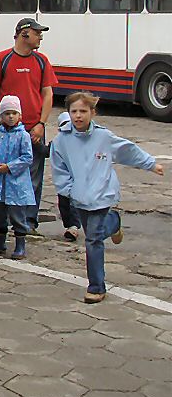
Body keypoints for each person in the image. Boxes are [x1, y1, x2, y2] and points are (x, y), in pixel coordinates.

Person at [49, 91, 164, 304]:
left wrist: (150, 164)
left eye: (83, 111)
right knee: (95, 233)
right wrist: (69, 191)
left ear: (92, 112)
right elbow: (59, 169)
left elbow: (128, 151)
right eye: (74, 111)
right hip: (80, 198)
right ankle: (114, 222)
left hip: (102, 195)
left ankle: (96, 287)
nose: (78, 116)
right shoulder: (61, 141)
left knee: (93, 240)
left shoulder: (104, 137)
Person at [0, 18, 58, 235]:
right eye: (37, 33)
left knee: (32, 178)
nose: (40, 37)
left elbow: (47, 93)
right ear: (24, 34)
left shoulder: (42, 61)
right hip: (5, 131)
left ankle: (28, 222)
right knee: (1, 174)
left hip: (32, 129)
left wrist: (41, 124)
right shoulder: (1, 59)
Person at [0, 95, 34, 260]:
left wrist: (10, 167)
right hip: (0, 184)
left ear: (20, 115)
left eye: (14, 113)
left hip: (16, 183)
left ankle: (20, 246)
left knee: (18, 215)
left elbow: (27, 157)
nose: (10, 117)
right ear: (0, 116)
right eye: (6, 113)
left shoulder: (23, 136)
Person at [54, 112, 81, 241]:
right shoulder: (58, 141)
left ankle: (74, 226)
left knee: (74, 203)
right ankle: (69, 225)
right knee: (63, 204)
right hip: (63, 180)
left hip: (77, 180)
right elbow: (47, 151)